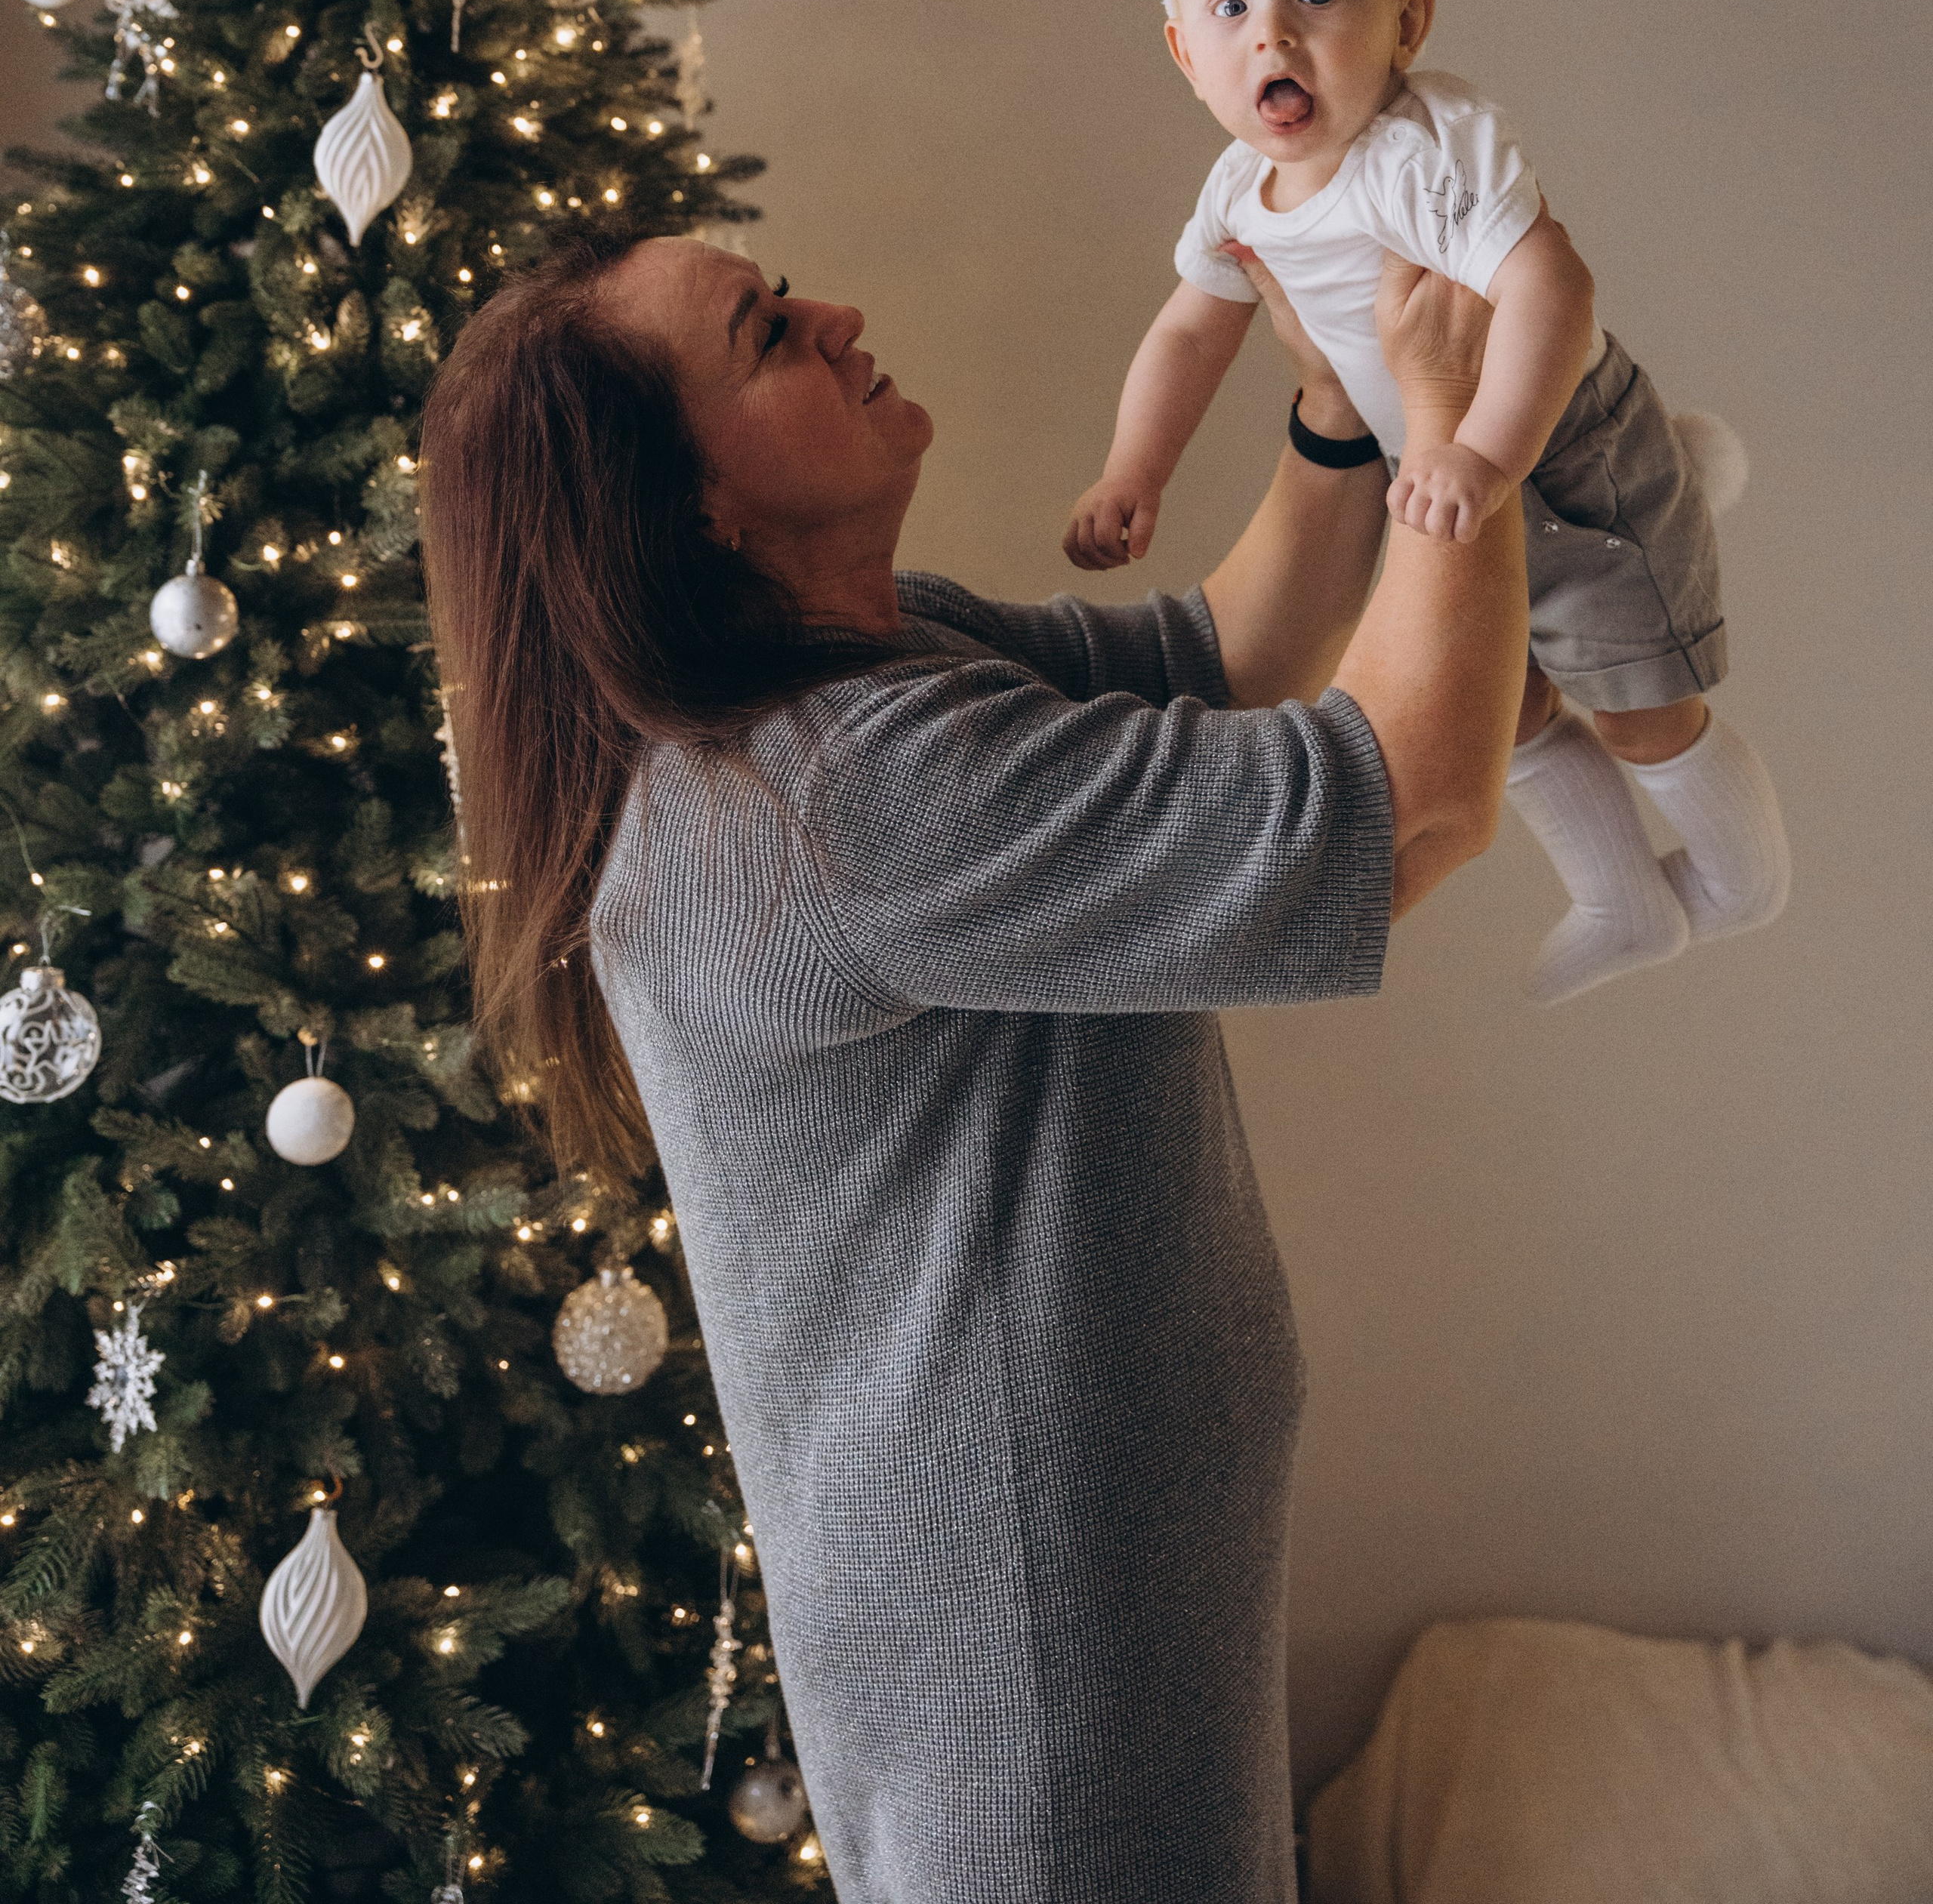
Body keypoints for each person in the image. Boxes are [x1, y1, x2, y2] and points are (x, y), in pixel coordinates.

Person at [419, 216, 1522, 1904]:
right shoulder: (830, 794)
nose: (840, 311)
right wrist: (1474, 445)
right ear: (695, 510)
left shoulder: (863, 671)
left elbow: (1221, 664)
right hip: (1035, 1686)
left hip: (1087, 1611)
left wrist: (1337, 419)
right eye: (769, 333)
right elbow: (1411, 803)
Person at [1069, 0, 1790, 1004]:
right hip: (1439, 465)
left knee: (1639, 705)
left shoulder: (1423, 148)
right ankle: (1624, 903)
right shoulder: (1238, 191)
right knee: (1501, 704)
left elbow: (1552, 289)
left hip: (1557, 452)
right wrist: (1131, 470)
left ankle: (1742, 882)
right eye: (1233, 8)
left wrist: (1482, 446)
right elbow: (1190, 334)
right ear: (1185, 54)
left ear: (1408, 21)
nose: (1277, 34)